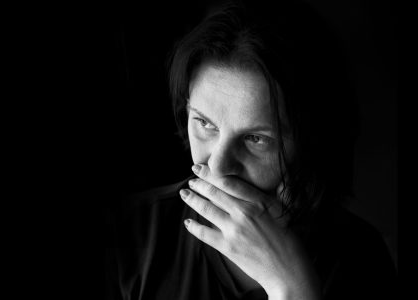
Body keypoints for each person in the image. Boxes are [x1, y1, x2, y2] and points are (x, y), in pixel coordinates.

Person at [106, 1, 397, 299]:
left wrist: (293, 288)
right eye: (205, 124)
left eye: (256, 139)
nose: (218, 166)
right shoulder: (126, 235)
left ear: (312, 145)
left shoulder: (360, 257)